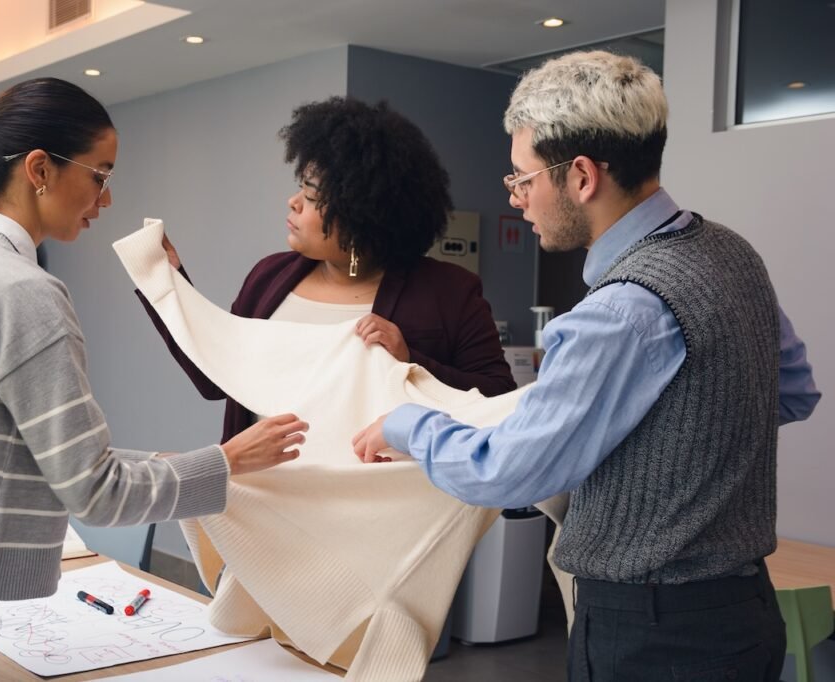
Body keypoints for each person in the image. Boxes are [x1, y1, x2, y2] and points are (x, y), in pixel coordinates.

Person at [0, 77, 307, 682]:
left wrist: (165, 461)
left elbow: (10, 448)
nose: (106, 199)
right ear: (40, 169)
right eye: (100, 175)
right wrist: (224, 465)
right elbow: (95, 492)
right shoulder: (23, 291)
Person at [352, 51, 821, 680]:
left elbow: (511, 471)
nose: (518, 200)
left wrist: (407, 426)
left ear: (580, 176)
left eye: (522, 179)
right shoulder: (733, 254)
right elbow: (792, 394)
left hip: (656, 634)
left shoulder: (620, 311)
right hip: (744, 615)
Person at [140, 96, 515, 443]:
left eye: (312, 196)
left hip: (374, 503)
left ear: (360, 216)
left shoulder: (450, 292)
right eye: (299, 188)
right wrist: (168, 282)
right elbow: (215, 380)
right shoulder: (269, 277)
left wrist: (411, 362)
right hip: (263, 496)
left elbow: (497, 401)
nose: (293, 203)